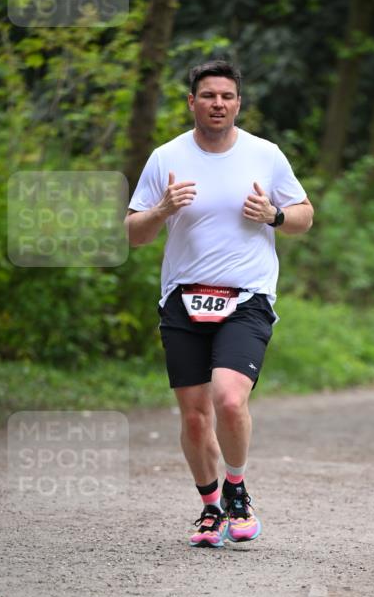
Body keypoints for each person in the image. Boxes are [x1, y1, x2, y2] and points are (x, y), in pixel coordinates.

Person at [126, 59, 313, 548]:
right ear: (192, 102)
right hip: (183, 298)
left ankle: (237, 489)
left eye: (227, 96)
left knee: (229, 399)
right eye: (208, 95)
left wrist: (274, 215)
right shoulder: (166, 157)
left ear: (238, 103)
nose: (218, 104)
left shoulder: (265, 155)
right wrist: (162, 209)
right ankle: (210, 507)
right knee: (194, 417)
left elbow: (305, 216)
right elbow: (134, 234)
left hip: (247, 296)